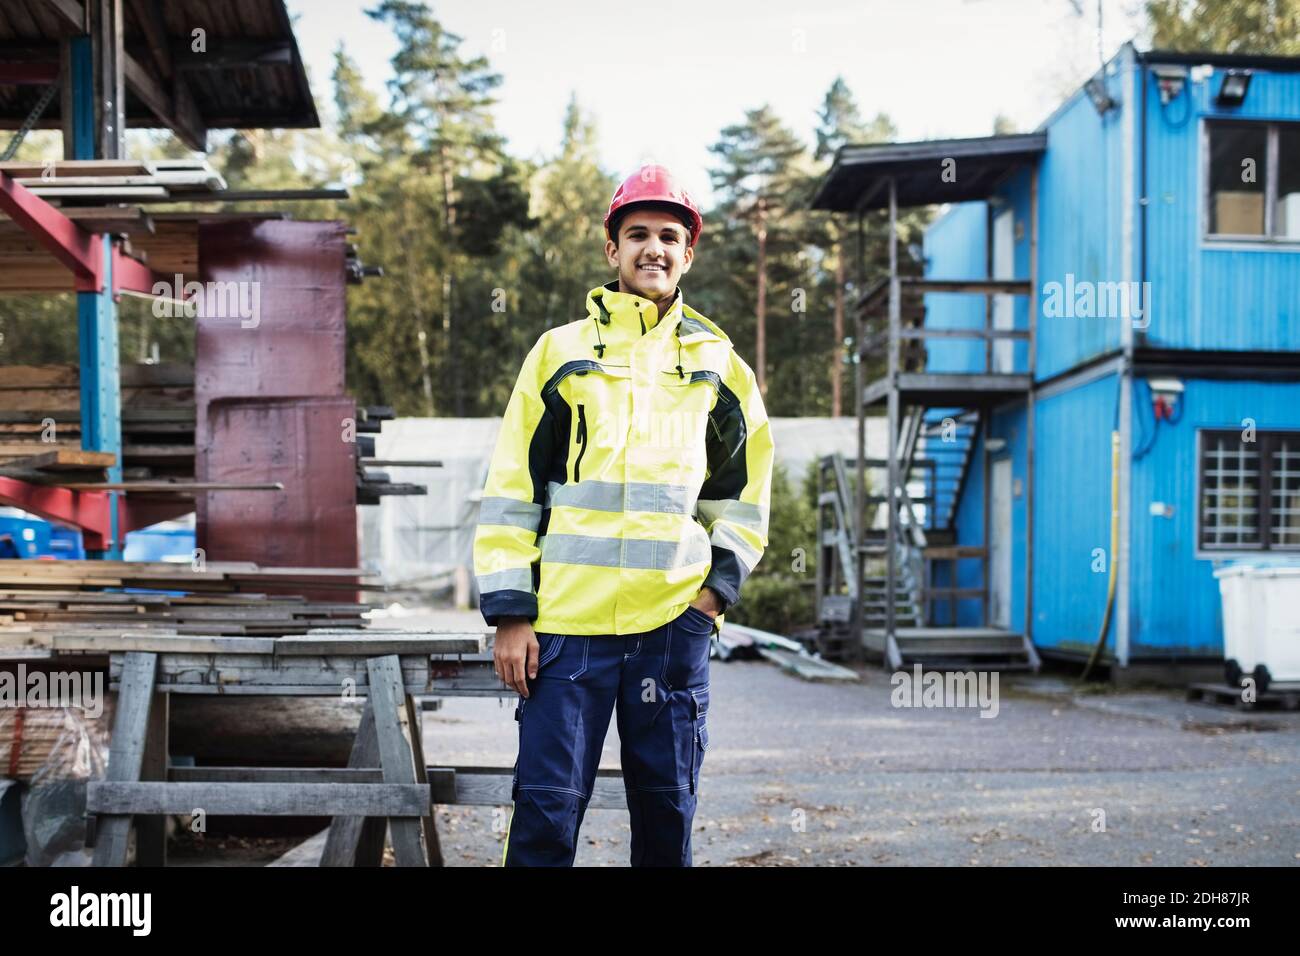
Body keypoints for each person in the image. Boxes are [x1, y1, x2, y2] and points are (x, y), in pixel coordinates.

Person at [473, 164, 774, 866]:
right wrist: (512, 612)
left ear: (688, 253)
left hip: (672, 627)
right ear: (612, 249)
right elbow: (512, 486)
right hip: (567, 630)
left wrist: (710, 600)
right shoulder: (559, 353)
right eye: (637, 234)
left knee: (666, 816)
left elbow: (745, 492)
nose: (654, 248)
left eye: (670, 236)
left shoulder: (718, 364)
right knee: (545, 816)